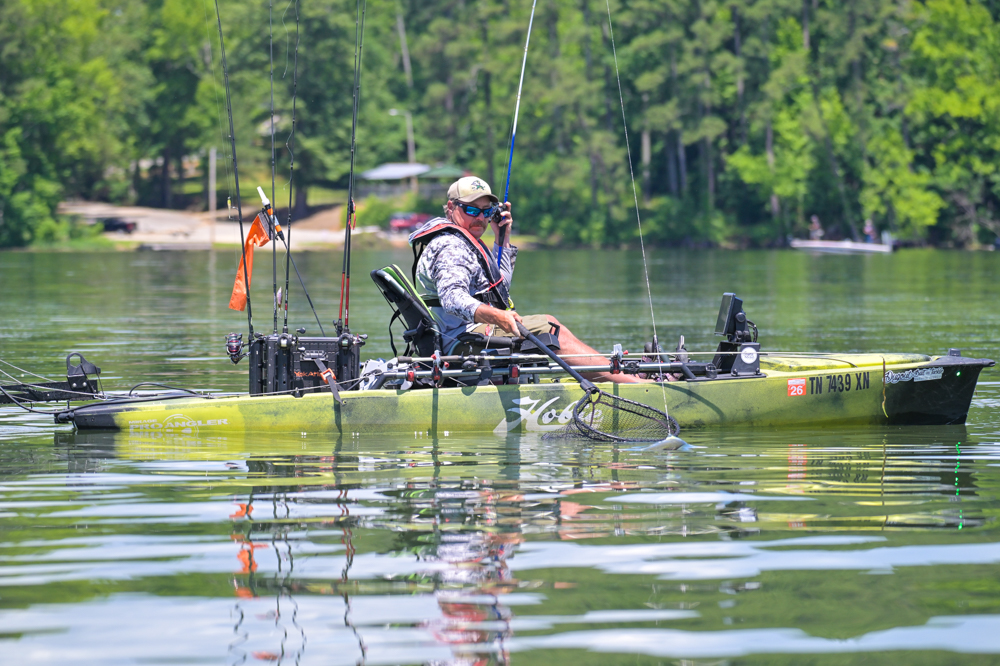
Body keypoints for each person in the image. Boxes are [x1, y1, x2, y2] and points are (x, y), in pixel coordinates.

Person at [408, 176, 645, 384]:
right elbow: (452, 299)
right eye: (472, 210)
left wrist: (502, 239)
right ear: (451, 207)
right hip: (460, 341)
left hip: (468, 334)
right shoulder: (451, 246)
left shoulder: (464, 241)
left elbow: (499, 291)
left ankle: (616, 375)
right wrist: (497, 316)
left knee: (548, 324)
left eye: (487, 211)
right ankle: (632, 384)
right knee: (549, 328)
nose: (480, 217)